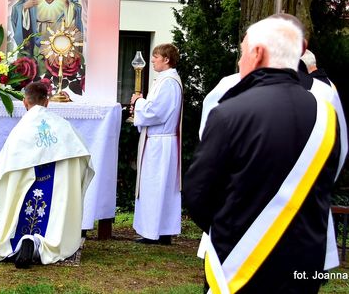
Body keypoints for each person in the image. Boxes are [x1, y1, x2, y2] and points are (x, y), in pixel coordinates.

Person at [184, 15, 341, 293]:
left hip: (241, 254)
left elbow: (198, 193)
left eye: (243, 52)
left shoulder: (230, 109)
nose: (241, 60)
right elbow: (332, 171)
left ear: (257, 54)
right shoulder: (327, 110)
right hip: (305, 254)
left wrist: (234, 221)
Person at [0, 81, 94, 268]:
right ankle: (36, 244)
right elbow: (81, 158)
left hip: (24, 191)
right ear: (47, 102)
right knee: (55, 228)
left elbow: (1, 171)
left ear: (25, 102)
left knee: (11, 210)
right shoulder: (64, 127)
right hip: (55, 189)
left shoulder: (21, 131)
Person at [130, 43, 182, 245]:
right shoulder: (165, 80)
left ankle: (156, 232)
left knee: (157, 186)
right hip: (159, 141)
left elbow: (156, 112)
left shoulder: (168, 82)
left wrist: (138, 102)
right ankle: (159, 230)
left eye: (156, 57)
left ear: (167, 59)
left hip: (161, 144)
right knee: (159, 187)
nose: (152, 60)